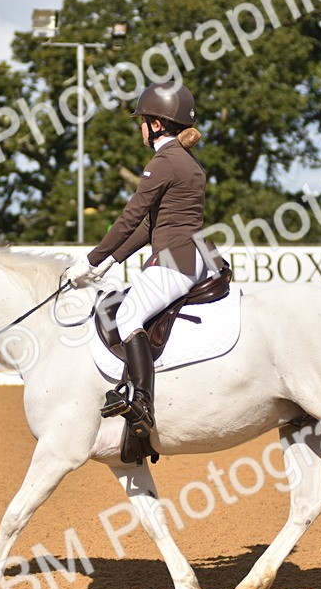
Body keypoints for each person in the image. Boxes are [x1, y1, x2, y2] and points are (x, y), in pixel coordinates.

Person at [63, 81, 215, 449]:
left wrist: (90, 259)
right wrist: (109, 261)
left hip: (174, 261)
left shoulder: (164, 161)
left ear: (158, 124)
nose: (140, 129)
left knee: (127, 314)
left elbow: (131, 217)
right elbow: (149, 225)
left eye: (143, 121)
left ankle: (141, 403)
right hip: (196, 258)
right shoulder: (188, 162)